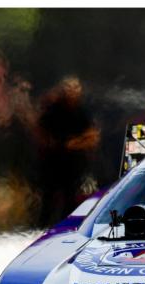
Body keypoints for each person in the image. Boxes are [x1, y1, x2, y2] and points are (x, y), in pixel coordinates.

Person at [37, 76, 100, 226]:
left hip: (74, 162)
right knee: (49, 196)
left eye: (74, 88)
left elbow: (93, 135)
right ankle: (42, 227)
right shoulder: (53, 110)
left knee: (71, 196)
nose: (71, 92)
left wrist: (74, 144)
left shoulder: (82, 111)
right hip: (52, 161)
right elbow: (40, 130)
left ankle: (67, 226)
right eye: (67, 89)